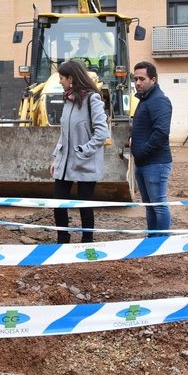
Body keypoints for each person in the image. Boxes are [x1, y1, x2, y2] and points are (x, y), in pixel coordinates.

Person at [49, 60, 108, 243]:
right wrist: (56, 158)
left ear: (71, 78)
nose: (60, 82)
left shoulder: (92, 99)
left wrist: (84, 151)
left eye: (61, 78)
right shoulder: (68, 100)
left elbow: (102, 133)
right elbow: (64, 134)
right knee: (58, 201)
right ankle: (62, 238)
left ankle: (87, 241)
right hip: (65, 162)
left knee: (84, 204)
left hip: (85, 161)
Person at [130, 61, 172, 236]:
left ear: (153, 80)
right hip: (144, 163)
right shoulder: (145, 100)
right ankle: (153, 240)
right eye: (135, 79)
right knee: (150, 206)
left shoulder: (159, 100)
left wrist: (141, 151)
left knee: (158, 205)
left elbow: (161, 133)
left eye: (142, 79)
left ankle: (162, 242)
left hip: (156, 163)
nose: (138, 83)